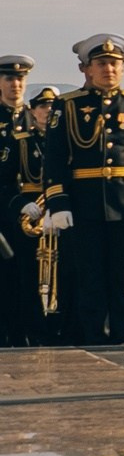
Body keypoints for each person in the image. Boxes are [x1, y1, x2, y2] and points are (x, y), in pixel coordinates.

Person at [40, 35, 124, 346]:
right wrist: (58, 201)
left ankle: (123, 342)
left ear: (123, 68)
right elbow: (54, 156)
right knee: (89, 280)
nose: (109, 68)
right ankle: (93, 342)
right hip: (83, 204)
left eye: (115, 63)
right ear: (86, 69)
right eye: (102, 63)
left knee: (123, 281)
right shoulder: (67, 106)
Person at [2, 57, 43, 345]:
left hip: (31, 214)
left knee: (29, 277)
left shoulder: (33, 119)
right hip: (3, 210)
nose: (15, 84)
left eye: (20, 79)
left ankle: (29, 335)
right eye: (8, 79)